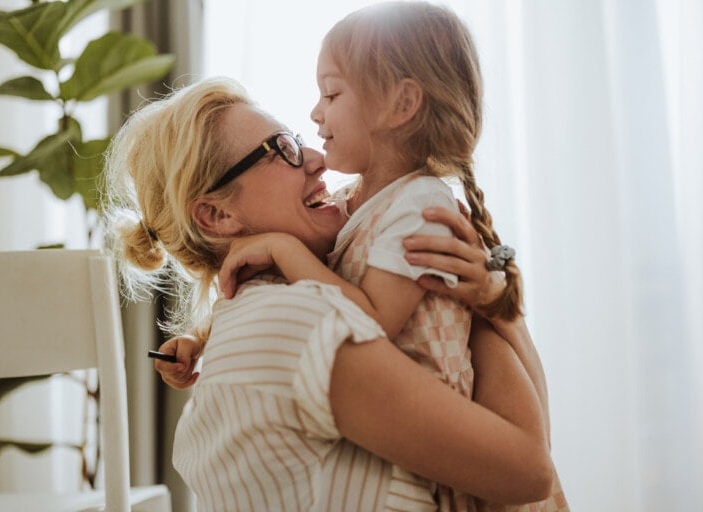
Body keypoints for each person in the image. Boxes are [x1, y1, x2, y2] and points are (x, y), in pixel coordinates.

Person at [103, 76, 553, 511]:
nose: (318, 158)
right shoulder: (293, 322)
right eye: (282, 149)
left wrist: (491, 297)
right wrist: (465, 299)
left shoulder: (279, 302)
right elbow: (530, 472)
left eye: (299, 140)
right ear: (217, 215)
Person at [214, 2, 568, 510]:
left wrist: (285, 249)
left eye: (332, 93)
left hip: (459, 456)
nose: (315, 113)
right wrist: (203, 340)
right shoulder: (354, 204)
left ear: (401, 104)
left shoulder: (419, 207)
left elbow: (371, 318)